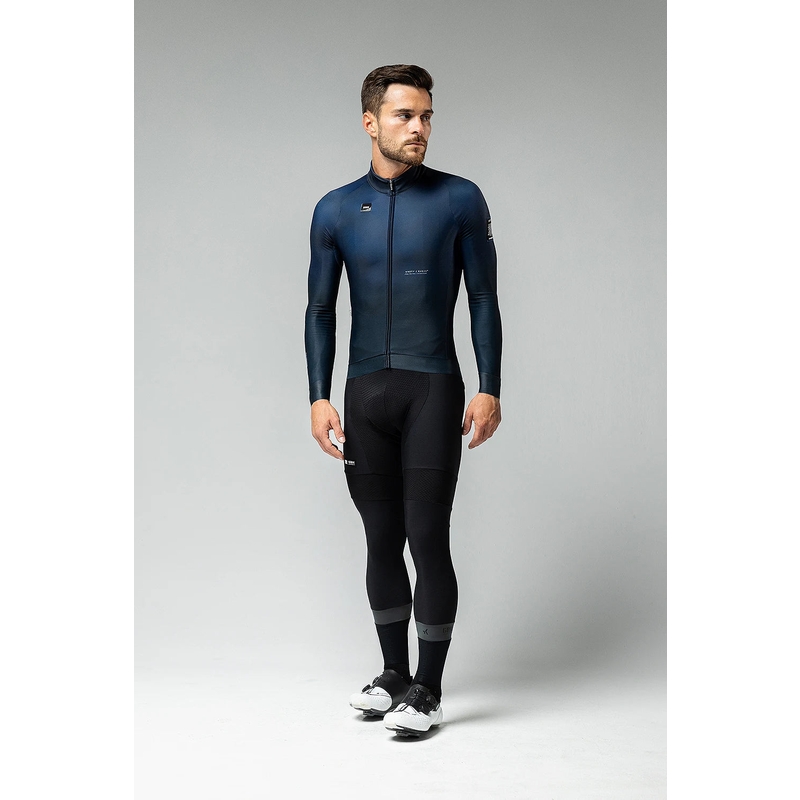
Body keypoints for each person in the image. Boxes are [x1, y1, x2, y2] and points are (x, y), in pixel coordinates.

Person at [304, 64, 502, 737]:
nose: (419, 128)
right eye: (404, 115)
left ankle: (430, 689)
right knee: (381, 538)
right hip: (363, 393)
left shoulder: (459, 199)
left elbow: (483, 298)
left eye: (426, 117)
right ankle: (393, 674)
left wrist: (489, 385)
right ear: (370, 122)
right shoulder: (335, 209)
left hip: (431, 389)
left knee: (427, 536)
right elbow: (320, 309)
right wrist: (318, 397)